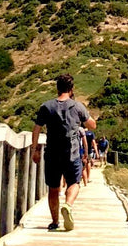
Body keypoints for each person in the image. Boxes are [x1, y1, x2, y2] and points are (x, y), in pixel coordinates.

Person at [31, 73, 96, 231]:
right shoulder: (77, 106)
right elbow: (92, 125)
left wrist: (35, 150)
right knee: (74, 183)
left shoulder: (46, 106)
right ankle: (68, 204)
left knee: (53, 188)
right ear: (72, 89)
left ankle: (54, 222)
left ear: (57, 88)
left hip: (52, 153)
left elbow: (36, 129)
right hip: (72, 153)